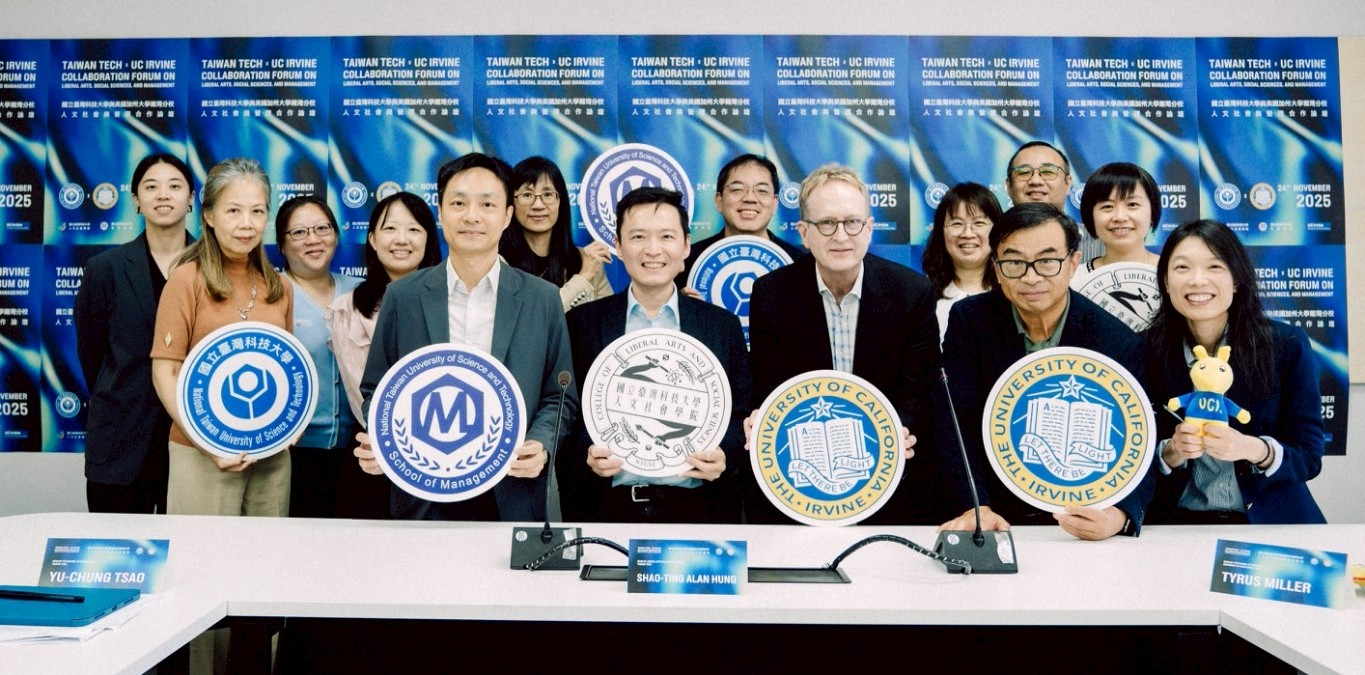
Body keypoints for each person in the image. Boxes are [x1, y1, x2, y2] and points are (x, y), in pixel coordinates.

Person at [354, 153, 577, 521]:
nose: (472, 216)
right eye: (458, 203)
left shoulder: (542, 298)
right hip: (423, 493)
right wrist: (382, 435)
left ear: (506, 216)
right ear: (440, 212)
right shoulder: (404, 296)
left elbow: (559, 396)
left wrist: (540, 444)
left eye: (487, 204)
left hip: (513, 492)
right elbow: (377, 389)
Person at [936, 202, 1153, 540]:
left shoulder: (1116, 341)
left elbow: (1138, 438)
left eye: (1047, 262)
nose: (1030, 276)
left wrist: (1120, 513)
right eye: (1014, 263)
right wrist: (975, 505)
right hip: (995, 515)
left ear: (1073, 263)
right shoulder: (970, 320)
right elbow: (955, 421)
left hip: (1081, 520)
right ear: (995, 265)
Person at [747, 163, 940, 524]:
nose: (841, 236)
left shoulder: (912, 293)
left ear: (868, 229)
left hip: (888, 474)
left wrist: (896, 433)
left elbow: (917, 393)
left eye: (852, 223)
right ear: (804, 233)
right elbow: (772, 388)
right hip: (802, 478)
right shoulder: (771, 294)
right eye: (826, 224)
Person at [560, 186, 750, 523]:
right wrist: (586, 453)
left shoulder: (721, 326)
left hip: (698, 511)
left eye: (666, 236)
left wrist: (726, 454)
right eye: (637, 237)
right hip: (607, 509)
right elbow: (566, 414)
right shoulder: (583, 325)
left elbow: (741, 413)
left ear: (686, 246)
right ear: (618, 246)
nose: (653, 250)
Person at [1143, 220, 1326, 524]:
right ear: (1165, 281)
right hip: (1174, 525)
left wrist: (1253, 449)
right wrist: (1170, 453)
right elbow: (1128, 455)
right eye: (1182, 268)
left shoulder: (1285, 345)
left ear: (1236, 280)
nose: (1197, 280)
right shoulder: (1145, 350)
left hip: (1270, 522)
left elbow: (1308, 456)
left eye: (1214, 267)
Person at [150, 156, 293, 518]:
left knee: (268, 561)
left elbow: (288, 372)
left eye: (257, 211)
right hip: (201, 452)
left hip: (271, 454)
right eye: (233, 211)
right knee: (203, 562)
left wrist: (290, 426)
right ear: (209, 216)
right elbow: (165, 372)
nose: (247, 224)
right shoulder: (186, 280)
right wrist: (208, 443)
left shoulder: (280, 286)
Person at [75, 152, 194, 514]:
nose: (163, 195)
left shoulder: (212, 268)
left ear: (191, 199)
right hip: (121, 439)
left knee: (194, 556)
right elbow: (91, 355)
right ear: (136, 200)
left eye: (175, 186)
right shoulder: (104, 269)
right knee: (117, 554)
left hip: (193, 439)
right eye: (151, 186)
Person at [326, 191, 442, 519]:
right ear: (373, 239)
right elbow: (362, 390)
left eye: (414, 229)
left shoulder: (455, 302)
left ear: (429, 239)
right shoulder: (348, 309)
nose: (401, 239)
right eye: (390, 229)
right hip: (374, 453)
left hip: (447, 455)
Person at [273, 196, 361, 519]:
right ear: (281, 245)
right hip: (290, 455)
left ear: (336, 235)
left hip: (356, 455)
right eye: (298, 233)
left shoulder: (362, 292)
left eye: (322, 228)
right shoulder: (270, 295)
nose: (313, 239)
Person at [499, 156, 613, 310]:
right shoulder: (498, 264)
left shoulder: (585, 260)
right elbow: (533, 318)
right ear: (511, 204)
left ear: (561, 201)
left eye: (548, 195)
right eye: (527, 195)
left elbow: (608, 322)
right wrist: (583, 278)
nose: (538, 205)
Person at [679, 153, 804, 287]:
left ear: (774, 204)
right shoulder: (686, 262)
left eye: (761, 191)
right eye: (737, 189)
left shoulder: (799, 263)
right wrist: (682, 303)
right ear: (719, 201)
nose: (750, 198)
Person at [921, 182, 1000, 345]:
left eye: (979, 223)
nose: (968, 234)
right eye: (957, 224)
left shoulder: (1014, 295)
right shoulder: (921, 298)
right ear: (940, 232)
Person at [1004, 140, 1100, 261]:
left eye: (1048, 172)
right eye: (1023, 172)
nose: (1035, 181)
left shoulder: (1100, 243)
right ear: (1008, 186)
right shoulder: (987, 244)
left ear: (1068, 183)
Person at [1075, 162, 1161, 275]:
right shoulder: (1074, 279)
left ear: (1152, 212)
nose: (1120, 217)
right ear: (1090, 216)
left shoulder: (1173, 273)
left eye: (1132, 205)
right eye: (1107, 206)